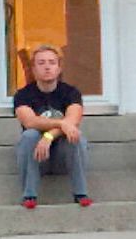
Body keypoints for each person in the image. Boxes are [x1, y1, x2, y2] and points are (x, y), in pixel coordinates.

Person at [12, 44, 91, 208]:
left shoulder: (71, 93)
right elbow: (30, 122)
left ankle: (81, 193)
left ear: (59, 68)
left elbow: (73, 120)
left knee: (76, 136)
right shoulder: (23, 95)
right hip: (36, 157)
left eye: (51, 62)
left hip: (63, 156)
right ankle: (29, 195)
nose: (47, 67)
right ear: (33, 69)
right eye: (41, 63)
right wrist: (61, 123)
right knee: (30, 135)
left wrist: (48, 136)